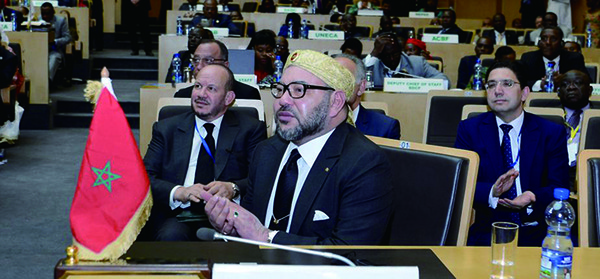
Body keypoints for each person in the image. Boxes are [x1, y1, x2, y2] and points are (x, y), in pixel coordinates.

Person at [201, 49, 393, 245]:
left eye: (299, 90)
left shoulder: (365, 164)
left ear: (335, 102)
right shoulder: (267, 151)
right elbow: (252, 227)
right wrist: (233, 229)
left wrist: (265, 237)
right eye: (280, 89)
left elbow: (349, 255)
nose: (282, 100)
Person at [143, 64, 267, 241]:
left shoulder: (250, 129)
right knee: (171, 237)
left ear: (228, 97)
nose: (201, 94)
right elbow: (145, 177)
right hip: (179, 213)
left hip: (229, 213)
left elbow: (263, 178)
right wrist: (179, 192)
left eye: (211, 89)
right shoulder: (166, 128)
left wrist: (233, 188)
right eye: (197, 86)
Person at [455, 61, 570, 246]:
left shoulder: (550, 132)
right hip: (488, 231)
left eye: (507, 84)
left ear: (524, 93)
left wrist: (532, 196)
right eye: (491, 85)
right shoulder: (470, 130)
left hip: (539, 232)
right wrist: (493, 191)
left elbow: (560, 187)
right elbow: (460, 185)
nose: (497, 91)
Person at [335, 53, 401, 139]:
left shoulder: (384, 128)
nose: (334, 85)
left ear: (361, 87)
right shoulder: (315, 121)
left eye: (343, 79)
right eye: (329, 79)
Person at [175, 39, 261, 100]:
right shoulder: (182, 96)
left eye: (208, 60)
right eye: (196, 60)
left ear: (225, 65)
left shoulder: (247, 94)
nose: (199, 67)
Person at [364, 32, 449, 88]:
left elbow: (445, 81)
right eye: (386, 56)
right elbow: (357, 81)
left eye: (395, 54)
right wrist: (374, 52)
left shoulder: (417, 63)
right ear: (379, 55)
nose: (392, 59)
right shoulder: (372, 65)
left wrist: (412, 83)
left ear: (401, 51)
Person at [520, 26, 587, 91]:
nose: (548, 42)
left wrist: (565, 80)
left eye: (553, 39)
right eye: (544, 38)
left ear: (561, 43)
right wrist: (540, 84)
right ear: (539, 43)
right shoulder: (528, 58)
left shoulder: (575, 58)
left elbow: (586, 81)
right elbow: (520, 83)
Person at [557, 70, 593, 188]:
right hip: (553, 176)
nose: (571, 88)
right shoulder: (546, 117)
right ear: (558, 92)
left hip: (591, 176)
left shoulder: (597, 117)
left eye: (578, 83)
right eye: (565, 84)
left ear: (590, 90)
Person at [41, 2, 72, 86]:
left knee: (54, 58)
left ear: (53, 12)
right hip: (40, 50)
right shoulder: (38, 21)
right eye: (43, 14)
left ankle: (46, 82)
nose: (45, 17)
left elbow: (68, 38)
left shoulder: (60, 21)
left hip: (55, 49)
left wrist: (55, 41)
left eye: (47, 14)